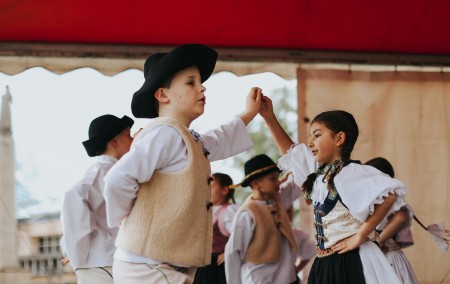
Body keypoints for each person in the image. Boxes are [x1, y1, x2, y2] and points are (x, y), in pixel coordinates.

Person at [104, 44, 262, 284]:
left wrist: (249, 114)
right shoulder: (163, 134)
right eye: (191, 83)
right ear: (162, 95)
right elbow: (117, 179)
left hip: (159, 263)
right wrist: (125, 218)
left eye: (200, 81)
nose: (202, 87)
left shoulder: (187, 138)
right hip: (146, 264)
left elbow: (218, 139)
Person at [259, 95, 407, 284]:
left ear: (339, 138)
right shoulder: (319, 174)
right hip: (325, 261)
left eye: (317, 135)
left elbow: (390, 195)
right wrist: (269, 117)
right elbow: (292, 153)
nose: (310, 142)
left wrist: (360, 235)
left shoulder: (351, 172)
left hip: (352, 259)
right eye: (310, 136)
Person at [60, 114, 134, 284]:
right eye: (128, 135)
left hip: (105, 263)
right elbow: (76, 237)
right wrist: (77, 259)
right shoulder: (89, 183)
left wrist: (75, 258)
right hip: (100, 266)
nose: (133, 139)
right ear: (114, 142)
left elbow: (75, 238)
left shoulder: (92, 182)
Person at [224, 154, 301, 284]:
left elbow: (301, 177)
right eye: (273, 179)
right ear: (256, 184)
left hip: (288, 279)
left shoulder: (279, 199)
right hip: (258, 280)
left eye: (278, 177)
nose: (278, 182)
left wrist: (292, 169)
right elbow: (232, 254)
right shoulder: (246, 214)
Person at [364, 157, 419, 284]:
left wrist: (377, 243)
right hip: (385, 257)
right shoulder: (378, 198)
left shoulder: (384, 197)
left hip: (387, 257)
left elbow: (400, 217)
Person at [194, 172, 238, 284]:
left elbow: (239, 234)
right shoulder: (206, 211)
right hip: (202, 265)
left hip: (217, 267)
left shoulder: (230, 211)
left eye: (212, 186)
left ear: (224, 190)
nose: (207, 189)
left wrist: (228, 252)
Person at [286, 205, 316, 284]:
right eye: (283, 211)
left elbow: (311, 251)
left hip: (291, 279)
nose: (286, 215)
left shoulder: (298, 235)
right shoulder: (266, 236)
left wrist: (297, 268)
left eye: (289, 211)